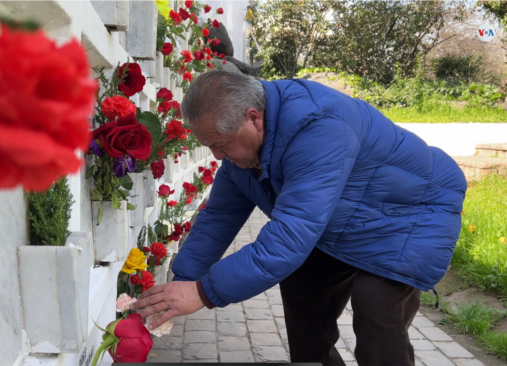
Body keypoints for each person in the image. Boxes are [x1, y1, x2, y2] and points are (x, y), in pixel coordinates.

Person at [130, 70, 466, 366]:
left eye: (221, 144)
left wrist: (203, 292)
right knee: (304, 301)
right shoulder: (241, 154)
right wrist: (181, 282)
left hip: (412, 216)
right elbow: (219, 217)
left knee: (376, 314)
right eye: (211, 147)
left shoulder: (318, 127)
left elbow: (290, 238)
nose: (219, 157)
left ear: (253, 118)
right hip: (342, 219)